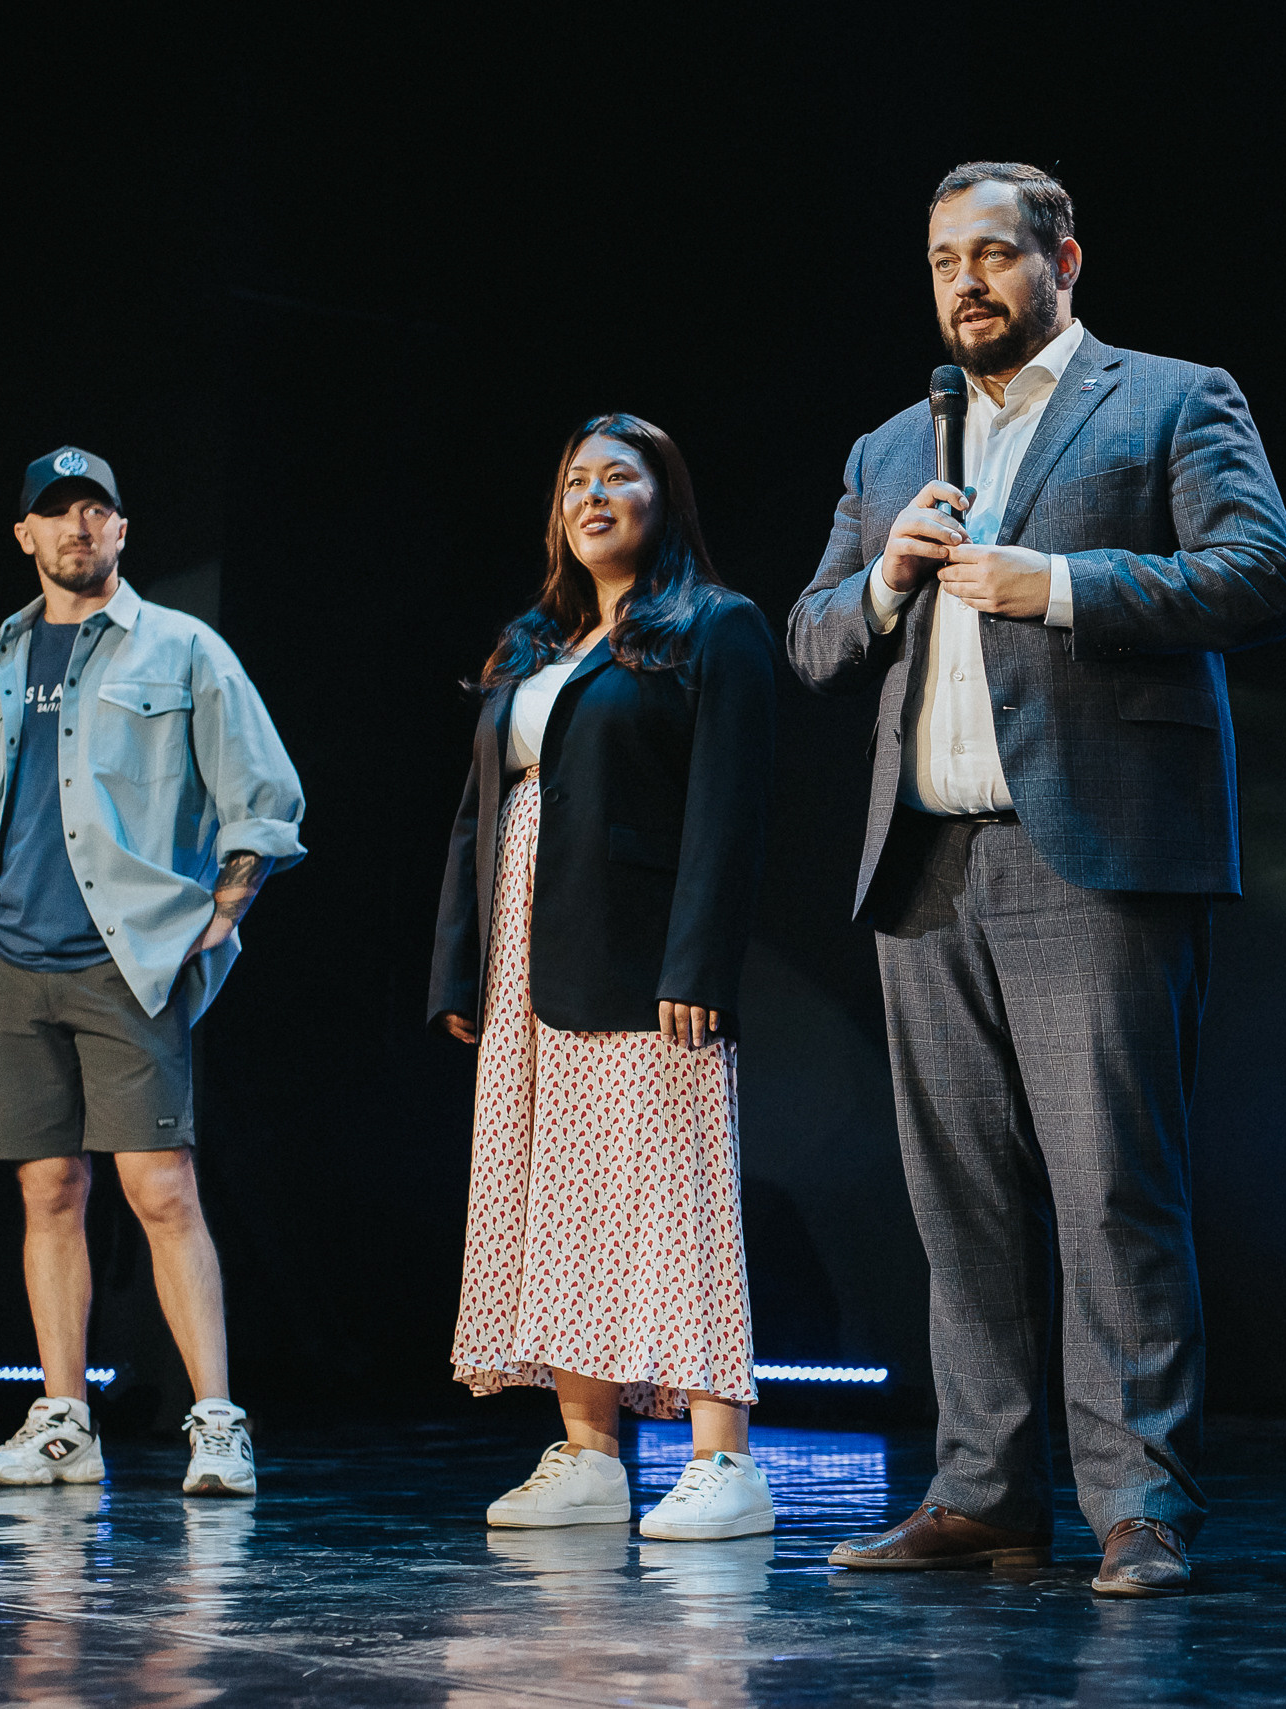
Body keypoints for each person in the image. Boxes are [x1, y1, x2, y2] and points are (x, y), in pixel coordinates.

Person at [786, 162, 1286, 1596]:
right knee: (959, 1202)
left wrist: (1062, 586)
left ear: (1063, 261)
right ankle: (985, 1493)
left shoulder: (1171, 398)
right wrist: (885, 579)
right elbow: (811, 640)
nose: (967, 282)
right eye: (944, 260)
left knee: (1112, 1187)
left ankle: (1140, 1501)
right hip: (927, 861)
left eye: (995, 253)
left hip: (1097, 854)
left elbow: (1261, 575)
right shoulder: (894, 444)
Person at [0, 446, 305, 1497]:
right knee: (47, 1188)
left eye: (96, 509)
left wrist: (225, 906)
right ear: (25, 535)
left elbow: (264, 794)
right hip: (11, 965)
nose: (77, 526)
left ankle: (216, 1420)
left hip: (124, 964)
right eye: (57, 512)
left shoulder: (182, 649)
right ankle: (64, 1423)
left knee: (159, 1185)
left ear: (122, 529)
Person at [431, 414, 777, 1543]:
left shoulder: (714, 627)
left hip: (644, 955)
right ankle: (588, 1453)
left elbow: (730, 809)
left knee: (673, 1193)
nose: (590, 496)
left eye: (617, 477)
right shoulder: (534, 643)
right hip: (527, 959)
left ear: (662, 496)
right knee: (557, 1199)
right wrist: (460, 965)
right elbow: (479, 814)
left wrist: (699, 959)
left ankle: (723, 1457)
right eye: (574, 480)